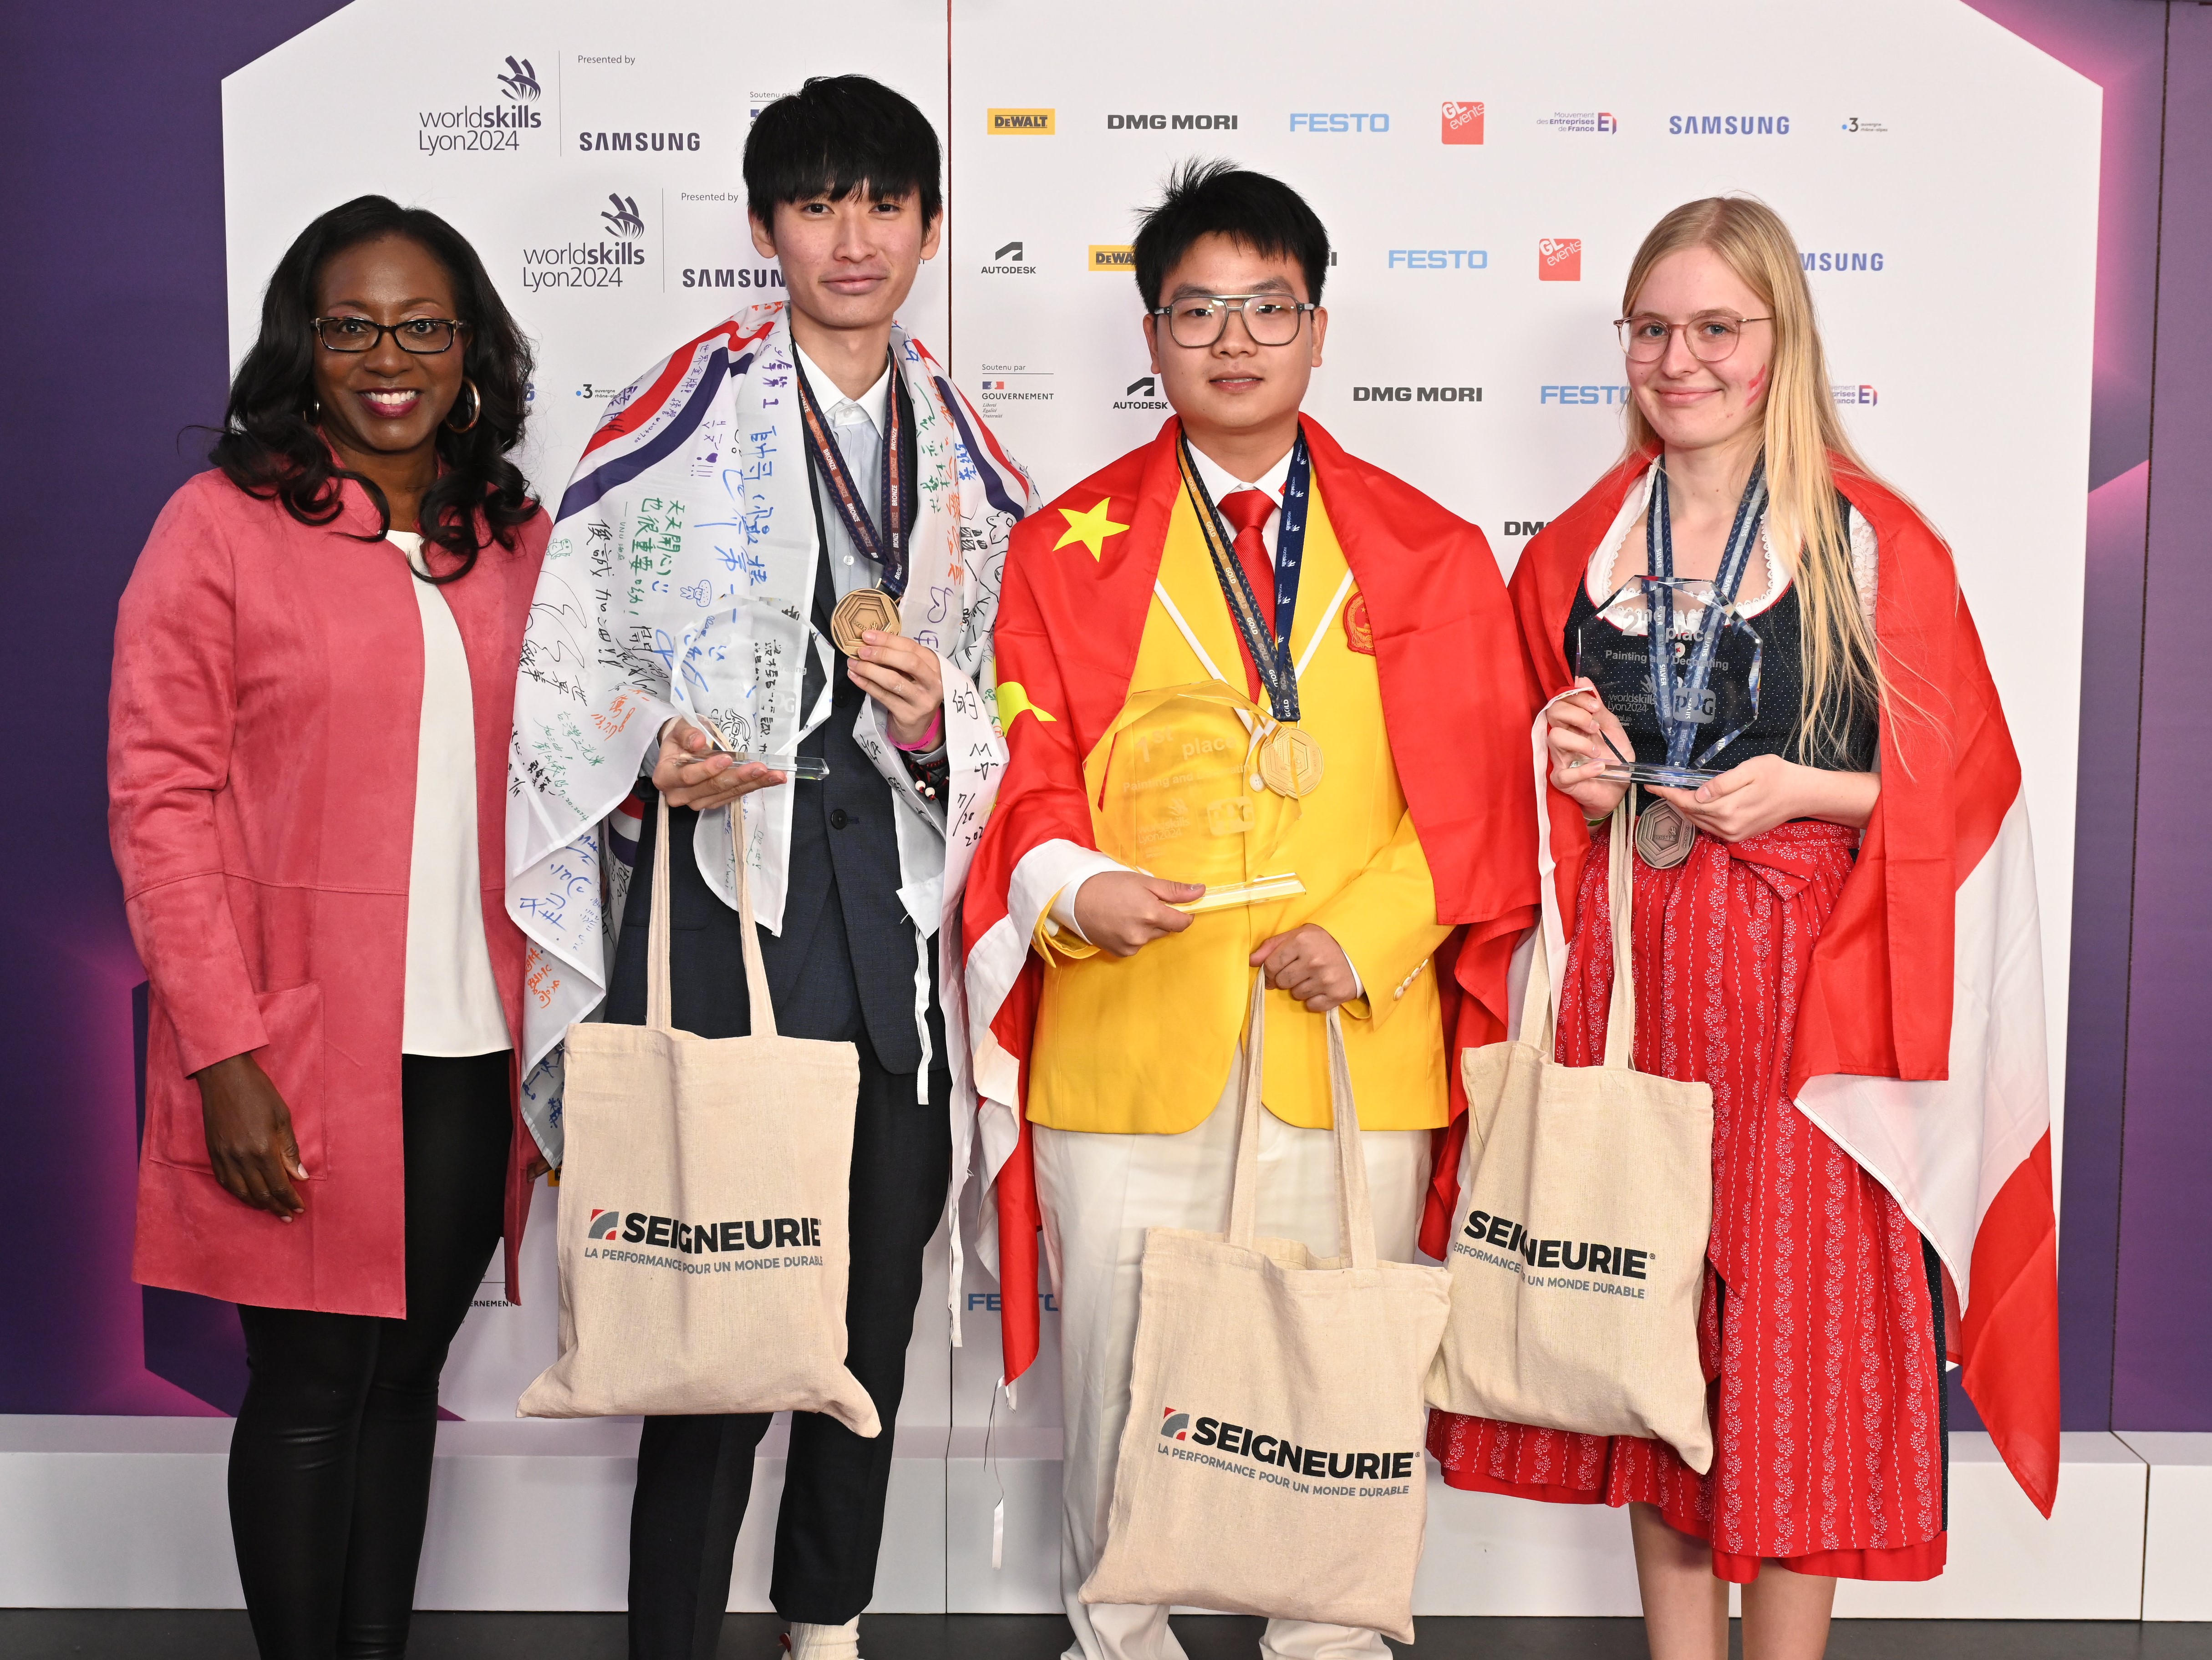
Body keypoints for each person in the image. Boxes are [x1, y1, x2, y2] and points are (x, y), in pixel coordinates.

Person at [1425, 196, 2061, 1660]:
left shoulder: (1868, 544)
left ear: (1781, 339)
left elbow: (1962, 793)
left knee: (1798, 1360)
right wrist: (1571, 780)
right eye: (1651, 329)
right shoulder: (1580, 543)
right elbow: (1522, 789)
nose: (1679, 358)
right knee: (1647, 1328)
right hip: (1633, 978)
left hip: (1803, 1000)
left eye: (1716, 327)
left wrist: (1807, 792)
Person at [959, 160, 1539, 1660]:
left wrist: (1371, 933)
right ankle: (1119, 1638)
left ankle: (1330, 1640)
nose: (1233, 339)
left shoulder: (1430, 549)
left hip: (1350, 1032)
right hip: (1127, 1035)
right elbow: (1019, 772)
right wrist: (1076, 888)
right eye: (1196, 309)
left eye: (1266, 307)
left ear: (1319, 327)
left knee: (1336, 1393)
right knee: (1122, 1393)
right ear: (1151, 337)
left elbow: (1479, 795)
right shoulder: (1062, 545)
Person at [504, 75, 1034, 1660]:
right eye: (816, 204)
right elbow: (564, 650)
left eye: (883, 204)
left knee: (866, 1317)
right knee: (715, 1298)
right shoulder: (681, 406)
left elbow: (1021, 700)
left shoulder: (962, 445)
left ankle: (829, 1625)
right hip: (721, 904)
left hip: (892, 928)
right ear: (762, 229)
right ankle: (667, 1634)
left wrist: (947, 730)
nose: (851, 237)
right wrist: (643, 741)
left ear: (931, 229)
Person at [108, 196, 548, 1658]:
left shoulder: (513, 539)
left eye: (423, 326)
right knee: (306, 1392)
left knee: (401, 1382)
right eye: (352, 325)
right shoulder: (218, 527)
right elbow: (159, 802)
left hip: (469, 1043)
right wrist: (223, 1054)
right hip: (291, 1050)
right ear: (304, 346)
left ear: (469, 349)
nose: (389, 357)